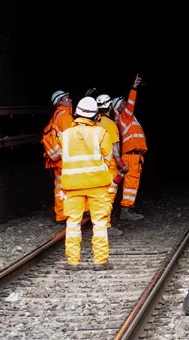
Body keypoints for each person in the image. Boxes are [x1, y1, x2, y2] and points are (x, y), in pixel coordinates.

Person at [60, 97, 115, 269]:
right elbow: (109, 158)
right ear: (96, 116)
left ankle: (73, 262)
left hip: (72, 186)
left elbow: (62, 157)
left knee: (73, 222)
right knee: (99, 222)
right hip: (97, 185)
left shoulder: (65, 135)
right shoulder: (101, 133)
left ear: (77, 113)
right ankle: (100, 261)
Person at [112, 75, 148, 221]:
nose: (126, 103)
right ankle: (126, 209)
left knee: (130, 183)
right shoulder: (125, 116)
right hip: (132, 156)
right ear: (119, 107)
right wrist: (134, 88)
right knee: (131, 184)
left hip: (133, 156)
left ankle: (126, 208)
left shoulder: (128, 119)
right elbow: (132, 103)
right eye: (123, 102)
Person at [41, 91, 75, 222]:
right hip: (65, 159)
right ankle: (67, 214)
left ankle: (61, 214)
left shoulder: (56, 116)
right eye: (66, 98)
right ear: (60, 102)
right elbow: (72, 139)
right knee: (69, 186)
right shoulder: (65, 117)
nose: (70, 100)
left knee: (60, 187)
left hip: (58, 158)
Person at [94, 94, 124, 212]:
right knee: (109, 193)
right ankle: (105, 220)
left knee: (98, 194)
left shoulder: (95, 122)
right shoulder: (110, 124)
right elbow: (114, 148)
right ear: (110, 106)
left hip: (97, 163)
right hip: (110, 165)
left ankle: (96, 216)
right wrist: (122, 165)